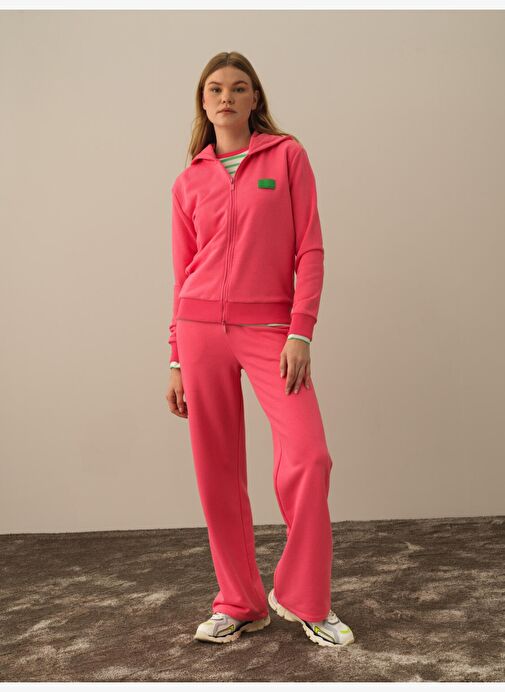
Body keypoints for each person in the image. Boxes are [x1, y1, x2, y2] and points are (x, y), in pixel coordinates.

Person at [165, 51, 355, 649]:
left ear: (254, 99)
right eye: (215, 88)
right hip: (198, 329)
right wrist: (175, 357)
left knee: (309, 456)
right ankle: (240, 603)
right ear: (203, 102)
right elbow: (182, 272)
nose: (226, 97)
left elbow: (310, 249)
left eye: (238, 87)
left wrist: (301, 331)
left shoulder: (286, 156)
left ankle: (303, 596)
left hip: (271, 327)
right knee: (216, 471)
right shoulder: (188, 180)